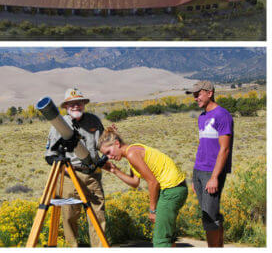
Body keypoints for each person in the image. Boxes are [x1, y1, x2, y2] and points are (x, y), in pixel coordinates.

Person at [98, 127, 188, 247]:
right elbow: (135, 182)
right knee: (167, 238)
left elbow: (153, 182)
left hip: (171, 190)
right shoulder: (132, 151)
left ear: (117, 143)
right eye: (105, 155)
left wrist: (152, 210)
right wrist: (114, 170)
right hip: (175, 188)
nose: (109, 157)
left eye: (108, 152)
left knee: (160, 241)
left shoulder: (132, 154)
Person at [44, 87, 106, 247]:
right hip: (69, 177)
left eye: (79, 103)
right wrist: (65, 171)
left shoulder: (94, 121)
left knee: (97, 214)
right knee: (69, 216)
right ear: (65, 107)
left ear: (84, 104)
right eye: (71, 104)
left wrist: (106, 154)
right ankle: (72, 247)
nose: (76, 106)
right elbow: (49, 156)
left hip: (92, 175)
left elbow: (104, 145)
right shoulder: (59, 125)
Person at [186, 80, 233, 247]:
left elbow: (224, 150)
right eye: (194, 95)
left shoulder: (222, 115)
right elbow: (202, 146)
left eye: (198, 94)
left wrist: (214, 177)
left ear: (209, 93)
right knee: (210, 215)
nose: (195, 98)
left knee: (209, 218)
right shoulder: (202, 117)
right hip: (199, 171)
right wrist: (194, 177)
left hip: (211, 173)